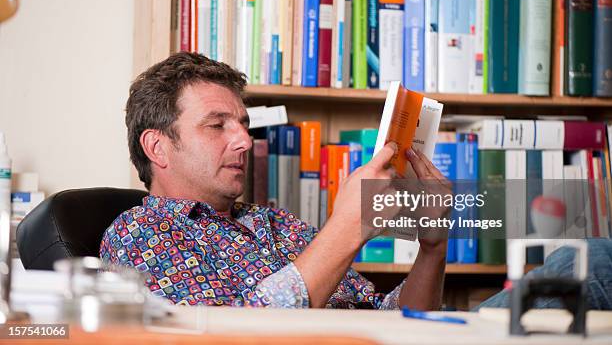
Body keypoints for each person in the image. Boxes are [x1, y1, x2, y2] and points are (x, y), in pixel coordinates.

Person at [100, 52, 451, 308]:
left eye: (243, 125)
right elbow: (229, 338)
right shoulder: (141, 233)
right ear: (157, 147)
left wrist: (432, 250)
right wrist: (349, 226)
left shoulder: (283, 225)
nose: (244, 141)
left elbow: (389, 320)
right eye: (217, 125)